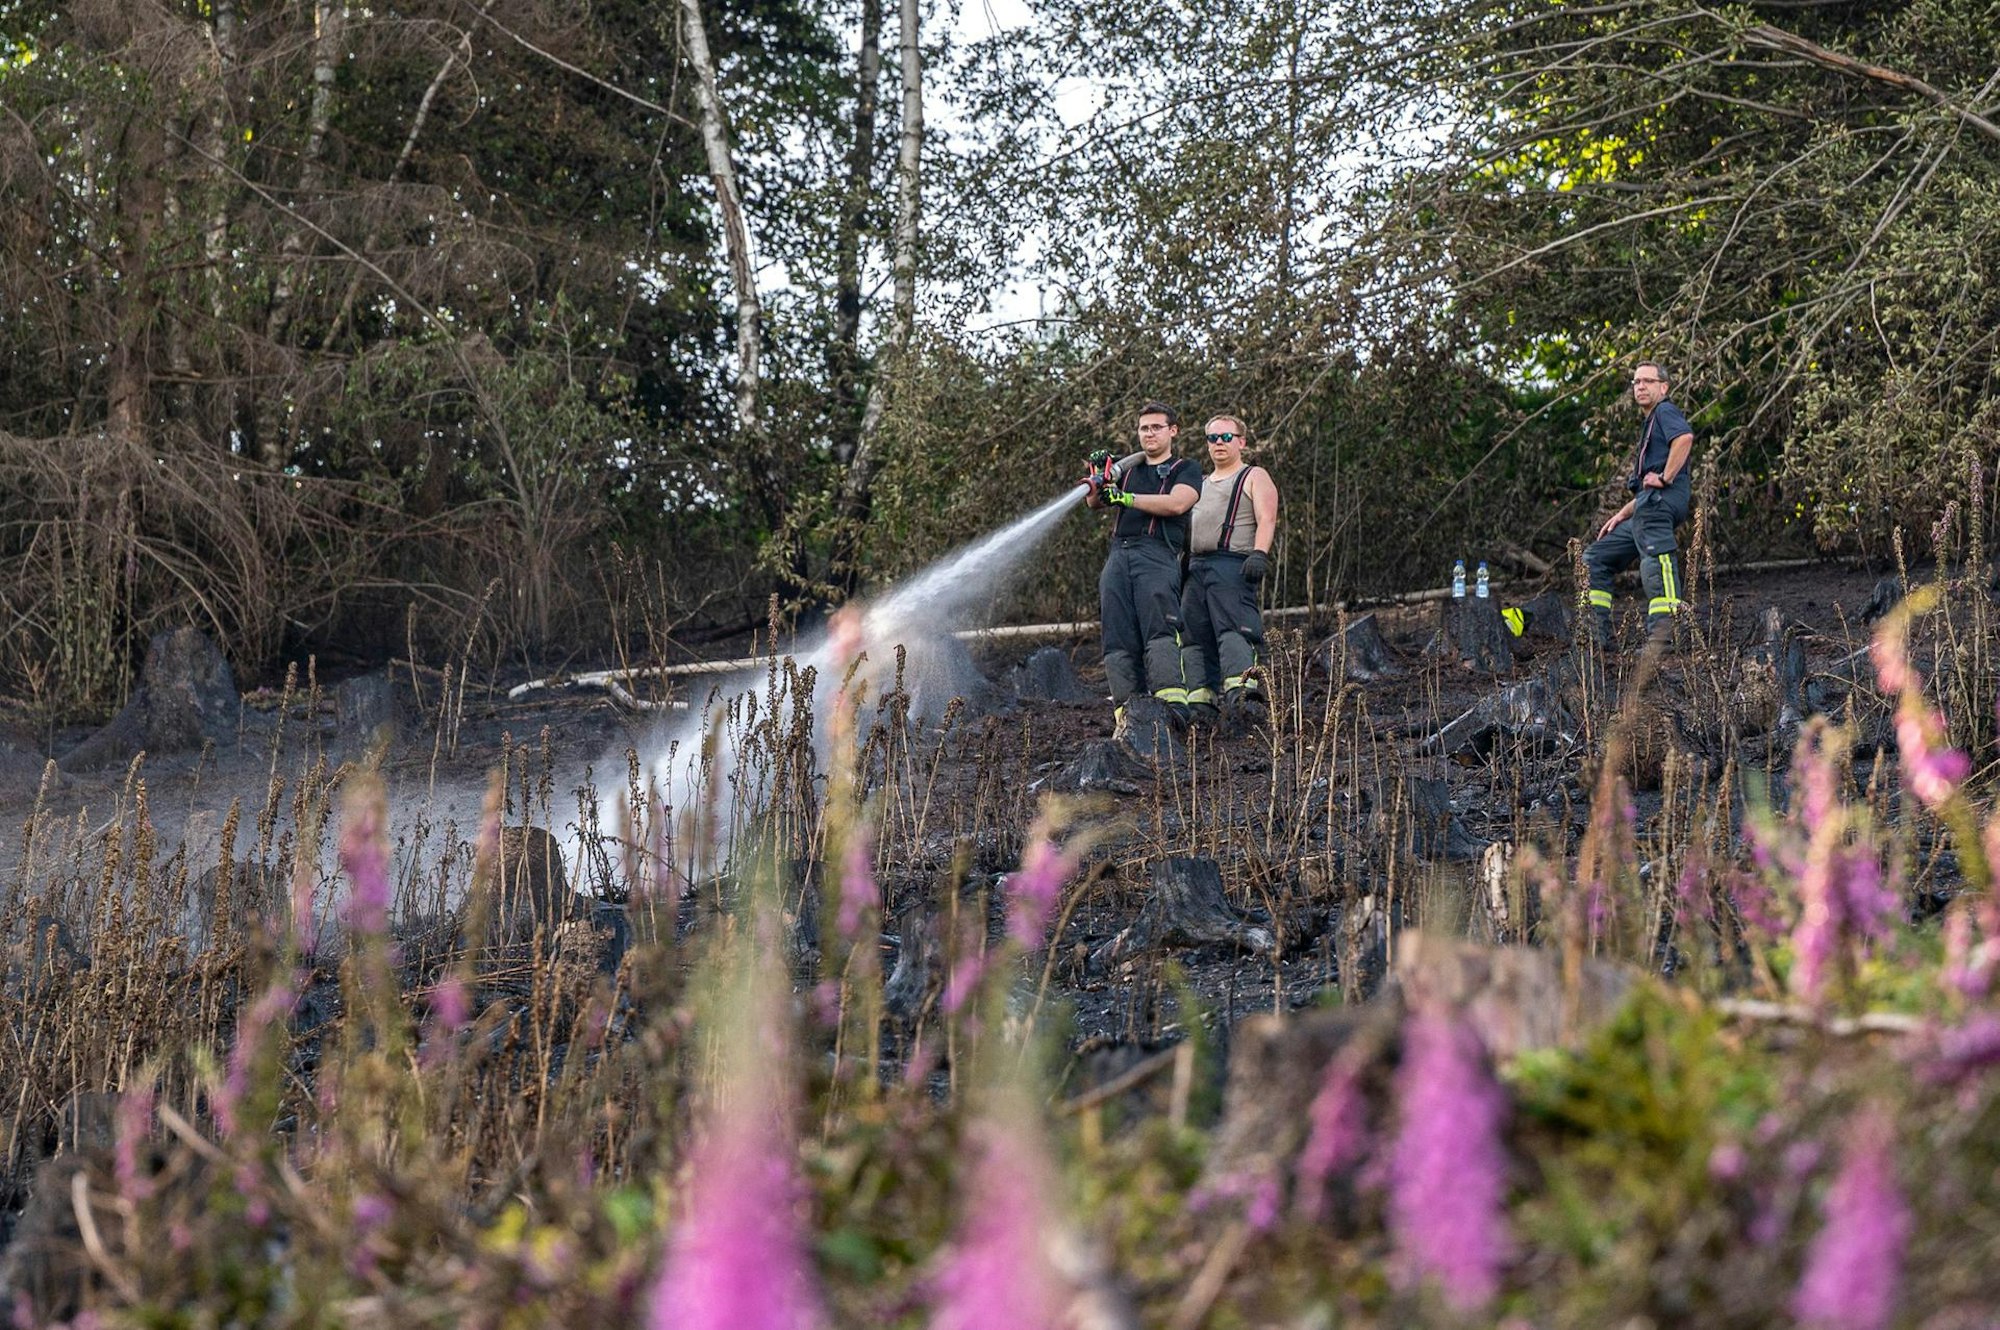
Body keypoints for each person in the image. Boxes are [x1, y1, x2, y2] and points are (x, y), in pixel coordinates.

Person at [1084, 401, 1203, 729]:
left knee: (1160, 629)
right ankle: (1127, 715)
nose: (1149, 433)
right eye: (1144, 428)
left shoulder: (1185, 468)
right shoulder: (1129, 470)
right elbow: (1094, 502)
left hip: (1157, 556)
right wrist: (1099, 478)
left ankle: (1173, 710)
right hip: (1118, 556)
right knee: (1116, 634)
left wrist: (1125, 498)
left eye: (1156, 427)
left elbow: (1178, 503)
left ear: (1172, 431)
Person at [1179, 415, 1278, 728]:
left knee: (1235, 630)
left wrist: (1260, 553)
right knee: (1194, 637)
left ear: (1241, 441)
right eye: (1212, 438)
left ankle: (1244, 701)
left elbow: (1267, 517)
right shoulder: (1200, 485)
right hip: (1196, 569)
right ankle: (1201, 706)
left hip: (1232, 566)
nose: (1218, 443)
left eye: (1225, 437)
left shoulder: (1253, 475)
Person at [1584, 360, 1693, 645]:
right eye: (1636, 382)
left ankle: (1666, 638)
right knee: (1595, 558)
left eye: (1647, 381)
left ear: (1664, 387)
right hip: (1647, 507)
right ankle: (1597, 639)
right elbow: (1646, 491)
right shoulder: (1650, 421)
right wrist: (1622, 513)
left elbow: (1684, 438)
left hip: (1662, 503)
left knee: (1656, 562)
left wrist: (1666, 477)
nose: (1640, 386)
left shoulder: (1665, 410)